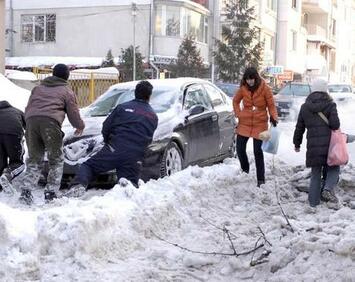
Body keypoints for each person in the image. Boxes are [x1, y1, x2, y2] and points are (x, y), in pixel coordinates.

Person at [65, 80, 158, 197]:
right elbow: (148, 138)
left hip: (114, 148)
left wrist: (109, 142)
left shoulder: (122, 108)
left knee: (88, 166)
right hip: (135, 155)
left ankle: (78, 186)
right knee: (129, 187)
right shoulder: (153, 116)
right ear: (149, 96)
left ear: (135, 93)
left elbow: (106, 127)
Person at [16, 64, 85, 204]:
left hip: (31, 122)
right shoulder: (67, 91)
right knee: (56, 159)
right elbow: (73, 113)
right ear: (67, 76)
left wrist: (28, 126)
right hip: (50, 123)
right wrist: (79, 126)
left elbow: (29, 107)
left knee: (34, 159)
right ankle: (51, 192)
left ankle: (26, 192)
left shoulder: (38, 88)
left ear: (53, 74)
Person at [293, 78, 340, 207]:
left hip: (313, 146)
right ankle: (327, 189)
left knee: (315, 174)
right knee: (334, 168)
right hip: (329, 145)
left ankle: (313, 204)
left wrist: (297, 144)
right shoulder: (330, 105)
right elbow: (335, 125)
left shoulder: (305, 106)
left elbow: (299, 128)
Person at [233, 67, 278, 187]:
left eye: (252, 79)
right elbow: (235, 101)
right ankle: (245, 169)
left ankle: (261, 179)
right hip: (245, 122)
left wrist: (274, 117)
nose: (250, 82)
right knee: (240, 149)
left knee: (258, 151)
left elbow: (271, 105)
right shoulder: (243, 88)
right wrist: (239, 114)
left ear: (256, 78)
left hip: (260, 123)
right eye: (247, 79)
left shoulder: (265, 88)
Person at [0, 101, 26, 193]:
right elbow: (29, 126)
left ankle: (1, 186)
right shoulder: (17, 111)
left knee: (1, 164)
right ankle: (7, 176)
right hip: (14, 135)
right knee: (18, 163)